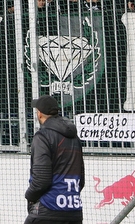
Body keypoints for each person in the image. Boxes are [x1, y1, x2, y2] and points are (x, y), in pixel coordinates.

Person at [25, 95, 84, 223]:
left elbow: (41, 179)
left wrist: (29, 196)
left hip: (48, 209)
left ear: (39, 114)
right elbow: (81, 179)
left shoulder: (42, 137)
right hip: (74, 210)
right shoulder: (75, 138)